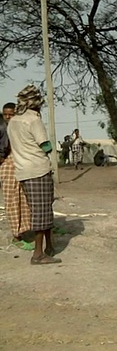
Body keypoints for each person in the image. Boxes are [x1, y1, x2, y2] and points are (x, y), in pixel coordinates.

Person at [7, 85, 61, 264]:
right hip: (38, 170)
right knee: (42, 212)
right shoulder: (33, 120)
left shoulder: (13, 121)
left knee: (39, 209)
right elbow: (46, 146)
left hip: (22, 171)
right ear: (36, 103)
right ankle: (38, 254)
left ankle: (49, 246)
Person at [0, 102, 31, 241]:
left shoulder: (19, 127)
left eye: (11, 114)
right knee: (11, 198)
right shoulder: (2, 128)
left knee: (24, 197)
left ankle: (25, 228)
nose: (8, 117)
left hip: (20, 162)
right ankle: (16, 233)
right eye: (5, 114)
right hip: (7, 164)